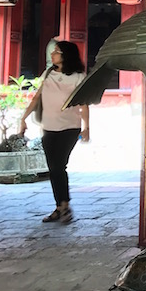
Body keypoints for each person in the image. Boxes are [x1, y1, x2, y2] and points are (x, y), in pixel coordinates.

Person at [19, 41, 90, 224]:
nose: (53, 55)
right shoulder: (49, 73)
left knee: (59, 166)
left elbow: (84, 103)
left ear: (66, 55)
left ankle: (63, 205)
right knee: (54, 168)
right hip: (48, 127)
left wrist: (86, 126)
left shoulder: (78, 76)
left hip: (69, 127)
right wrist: (23, 118)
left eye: (57, 52)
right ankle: (61, 206)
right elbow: (37, 97)